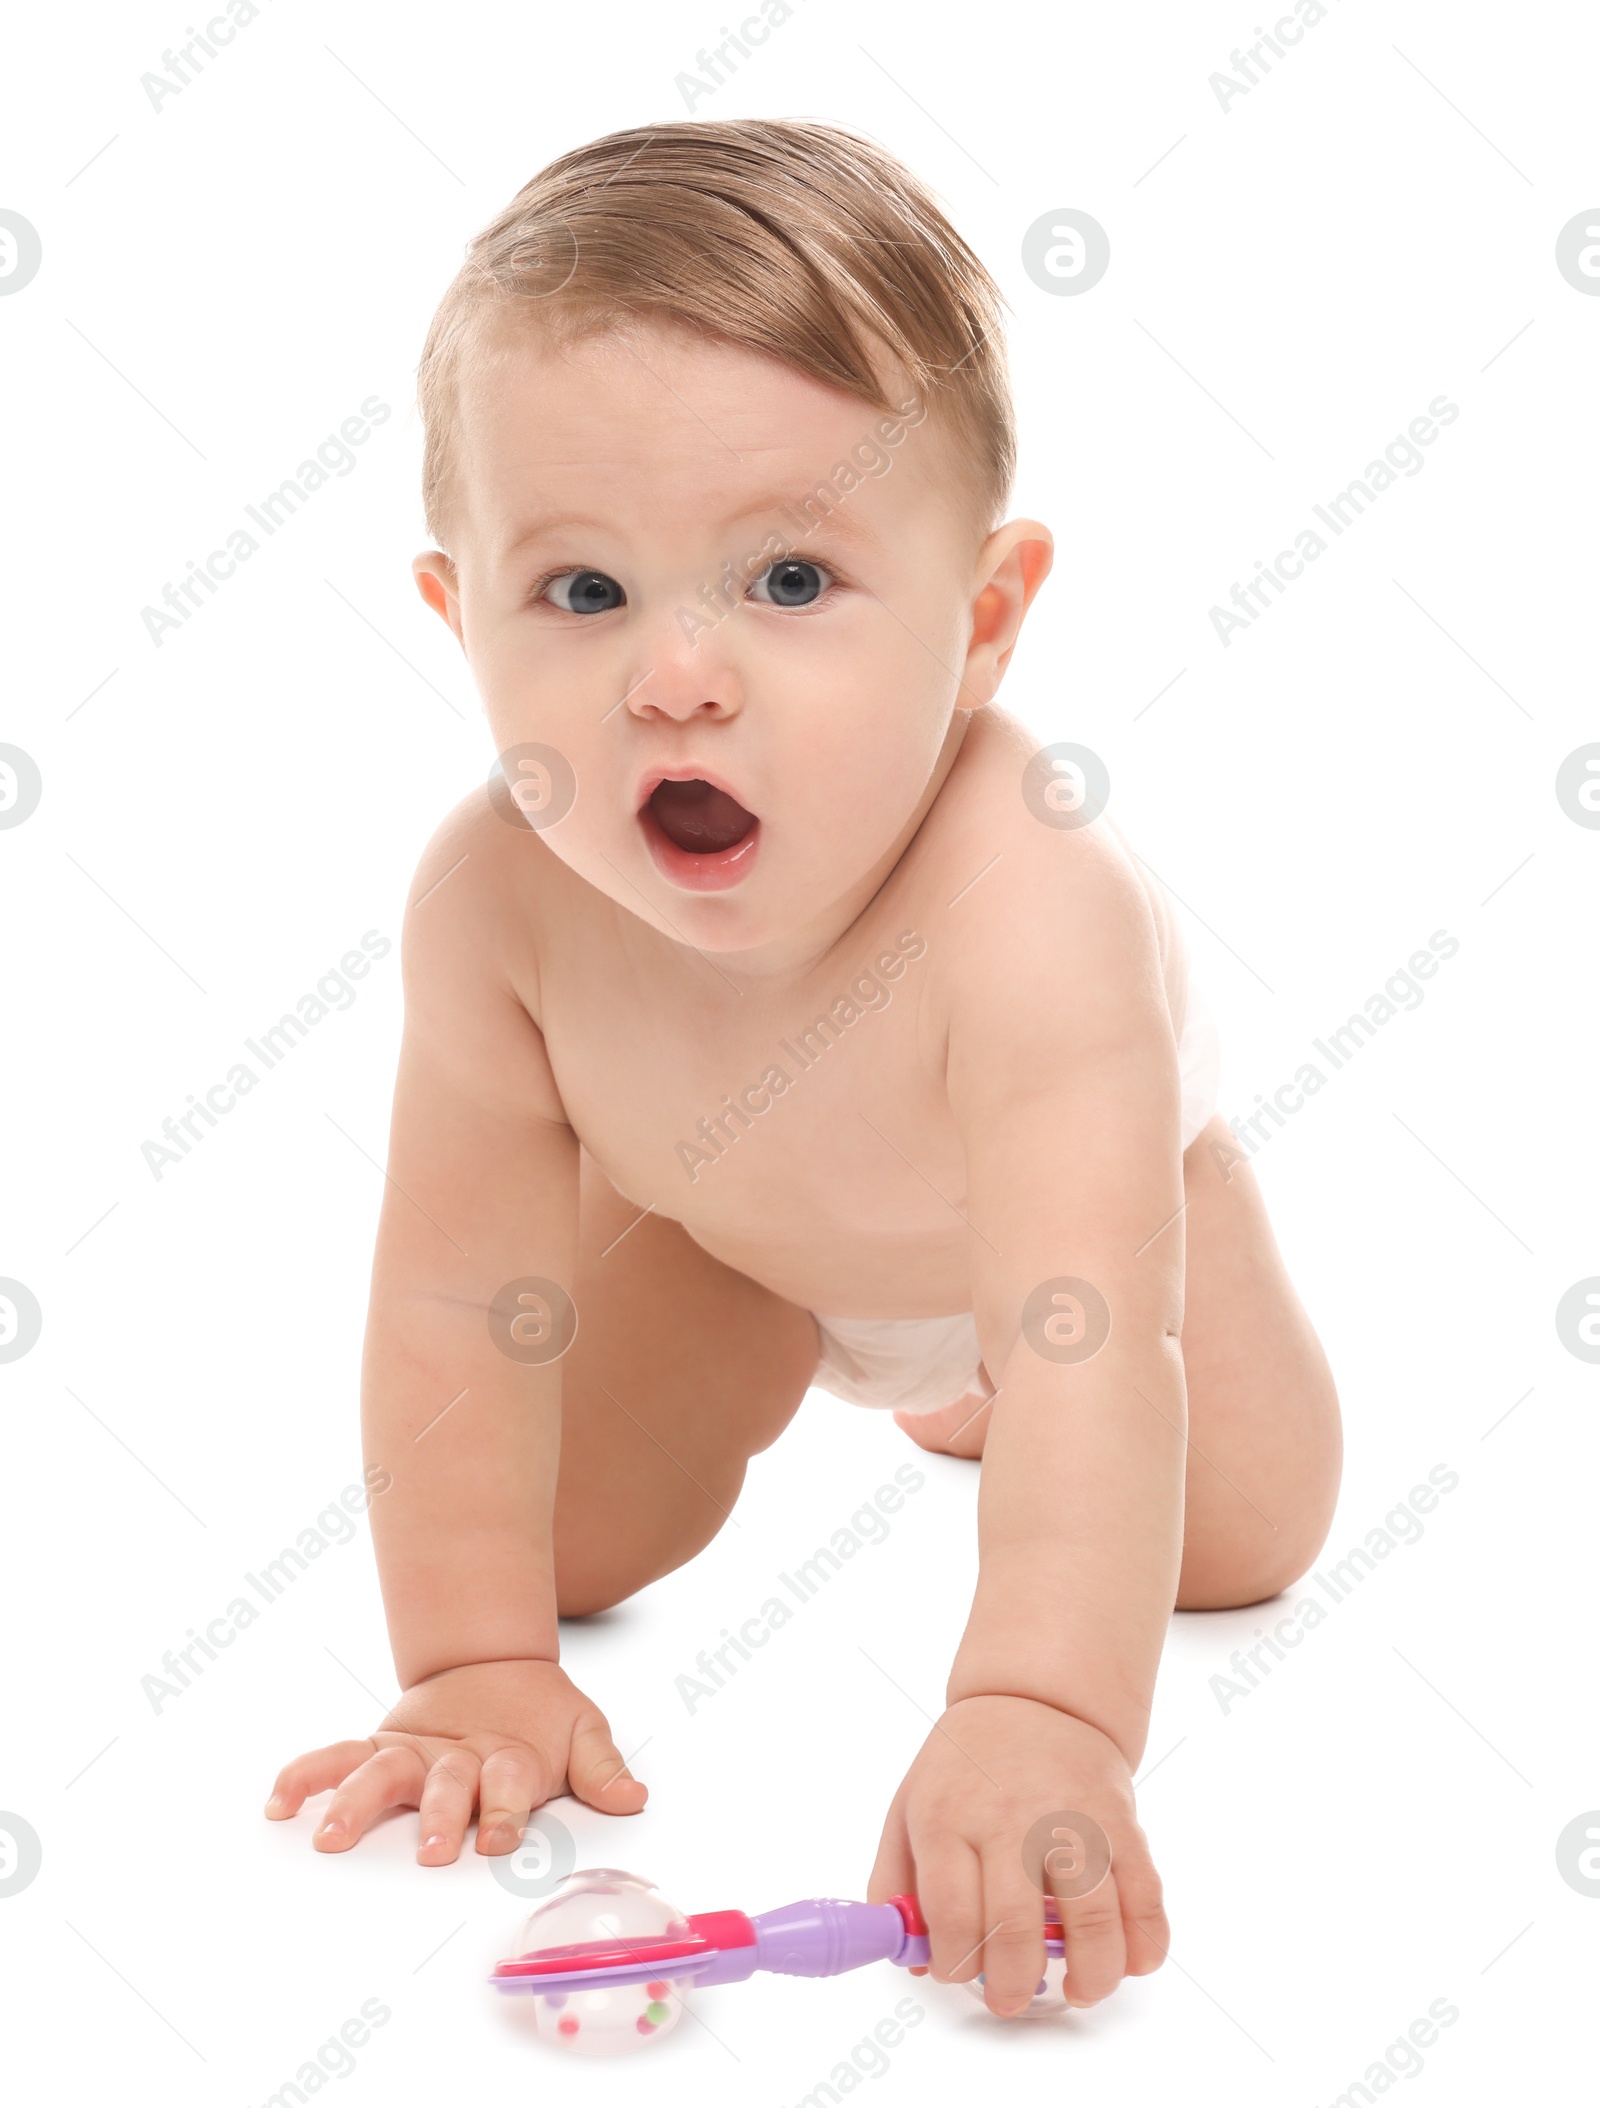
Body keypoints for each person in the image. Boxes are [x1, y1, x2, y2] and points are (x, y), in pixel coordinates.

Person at [265, 118, 1341, 2021]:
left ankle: (999, 1368)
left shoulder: (1031, 907)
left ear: (985, 621)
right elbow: (452, 1298)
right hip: (723, 1234)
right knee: (567, 1548)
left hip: (1081, 1259)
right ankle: (850, 1372)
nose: (678, 678)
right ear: (460, 623)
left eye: (789, 581)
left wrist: (1037, 1710)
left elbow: (1094, 1333)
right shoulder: (495, 906)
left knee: (1241, 1545)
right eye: (583, 595)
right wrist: (473, 1661)